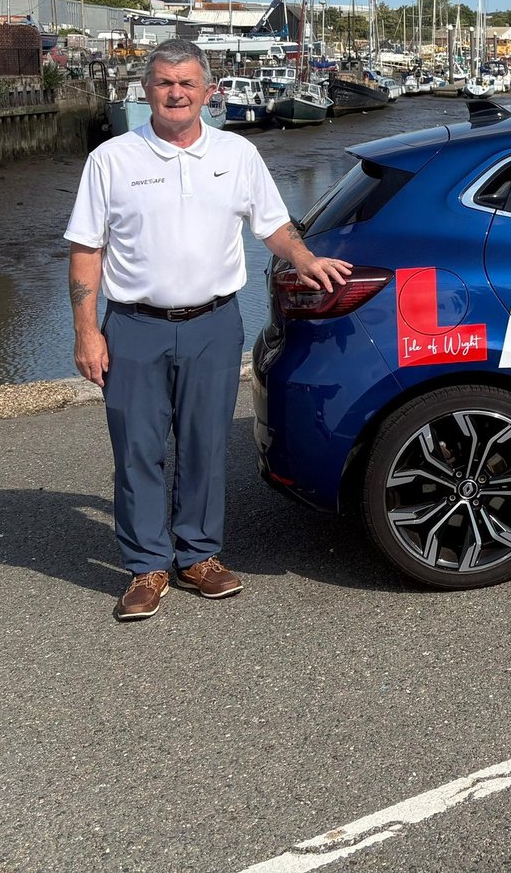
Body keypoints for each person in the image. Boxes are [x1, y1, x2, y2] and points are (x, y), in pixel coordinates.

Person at [65, 39, 350, 622]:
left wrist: (305, 259)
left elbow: (272, 226)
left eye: (187, 83)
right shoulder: (112, 159)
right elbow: (85, 250)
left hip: (214, 325)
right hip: (135, 328)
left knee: (203, 444)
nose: (176, 93)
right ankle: (147, 565)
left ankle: (199, 556)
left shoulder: (238, 154)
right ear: (146, 91)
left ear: (207, 92)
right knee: (139, 450)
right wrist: (86, 333)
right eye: (165, 82)